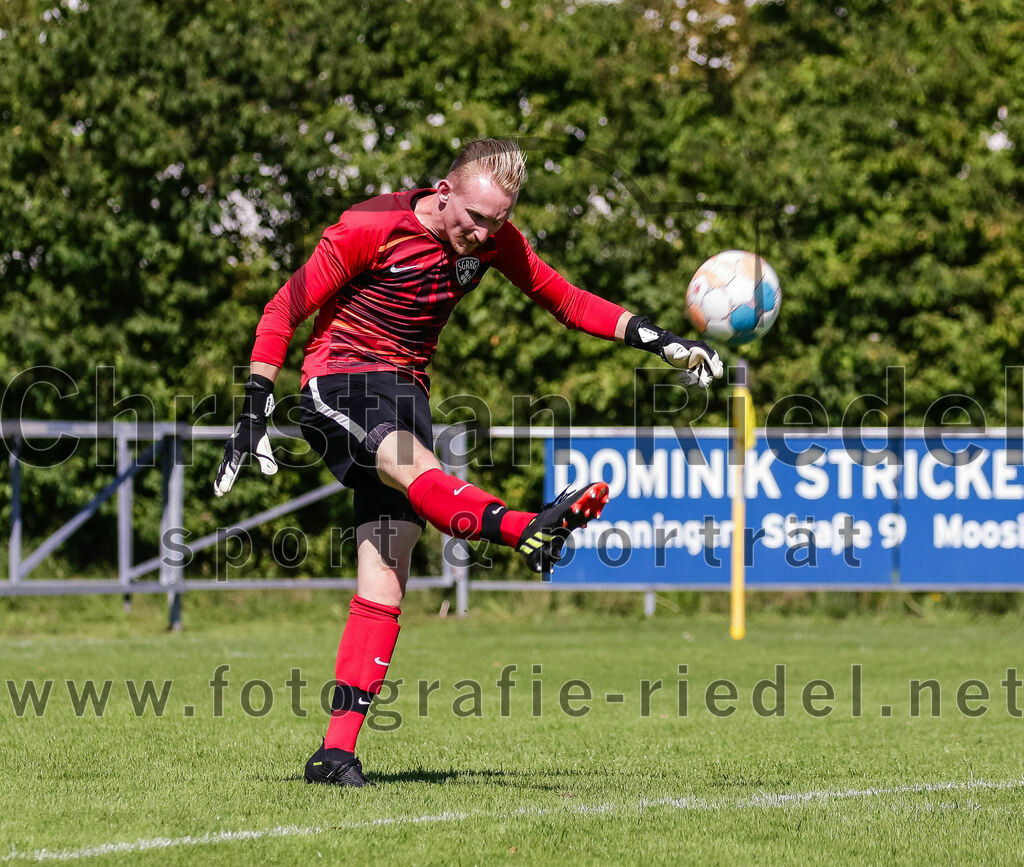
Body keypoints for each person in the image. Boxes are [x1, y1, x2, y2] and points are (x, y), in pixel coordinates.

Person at [213, 138, 723, 788]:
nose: (482, 232)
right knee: (412, 465)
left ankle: (334, 752)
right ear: (444, 190)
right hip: (340, 380)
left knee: (386, 575)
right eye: (474, 217)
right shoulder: (370, 226)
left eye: (496, 221)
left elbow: (565, 300)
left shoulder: (493, 240)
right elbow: (284, 306)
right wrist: (256, 400)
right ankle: (521, 528)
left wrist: (661, 340)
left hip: (406, 389)